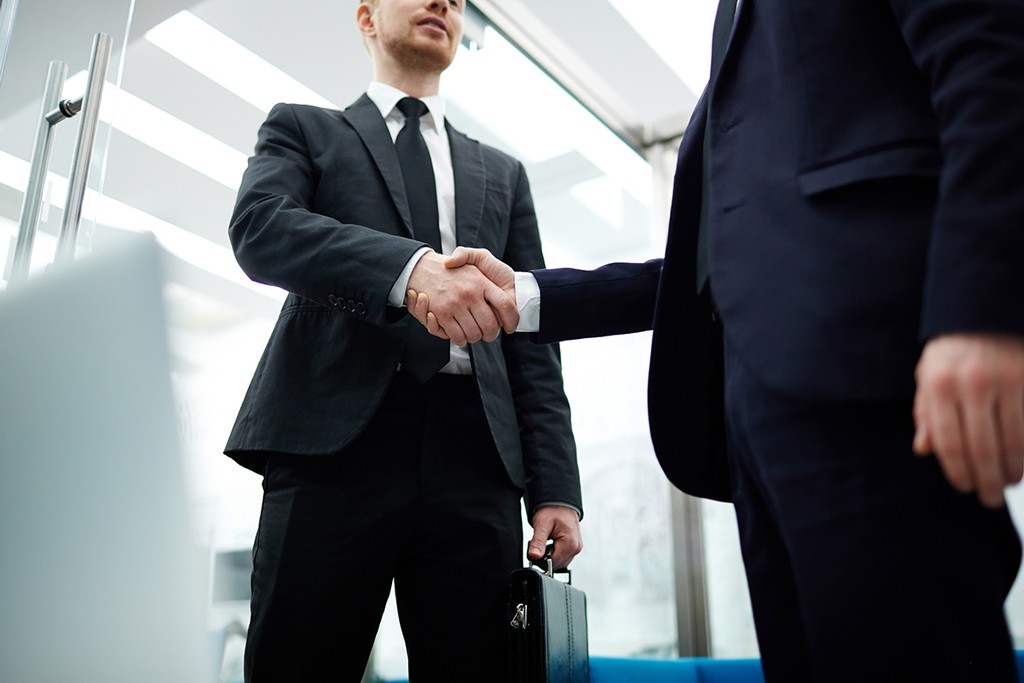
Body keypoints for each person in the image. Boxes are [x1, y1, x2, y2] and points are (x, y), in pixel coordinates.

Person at [409, 0, 1024, 680]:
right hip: (757, 421)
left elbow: (994, 65)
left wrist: (982, 307)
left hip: (868, 373)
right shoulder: (735, 27)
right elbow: (710, 262)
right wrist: (524, 296)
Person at [223, 1, 583, 680]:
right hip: (333, 443)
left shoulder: (504, 173)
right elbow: (261, 228)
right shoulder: (304, 128)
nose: (444, 2)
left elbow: (533, 338)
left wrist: (555, 486)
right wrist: (407, 269)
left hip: (477, 456)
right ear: (365, 18)